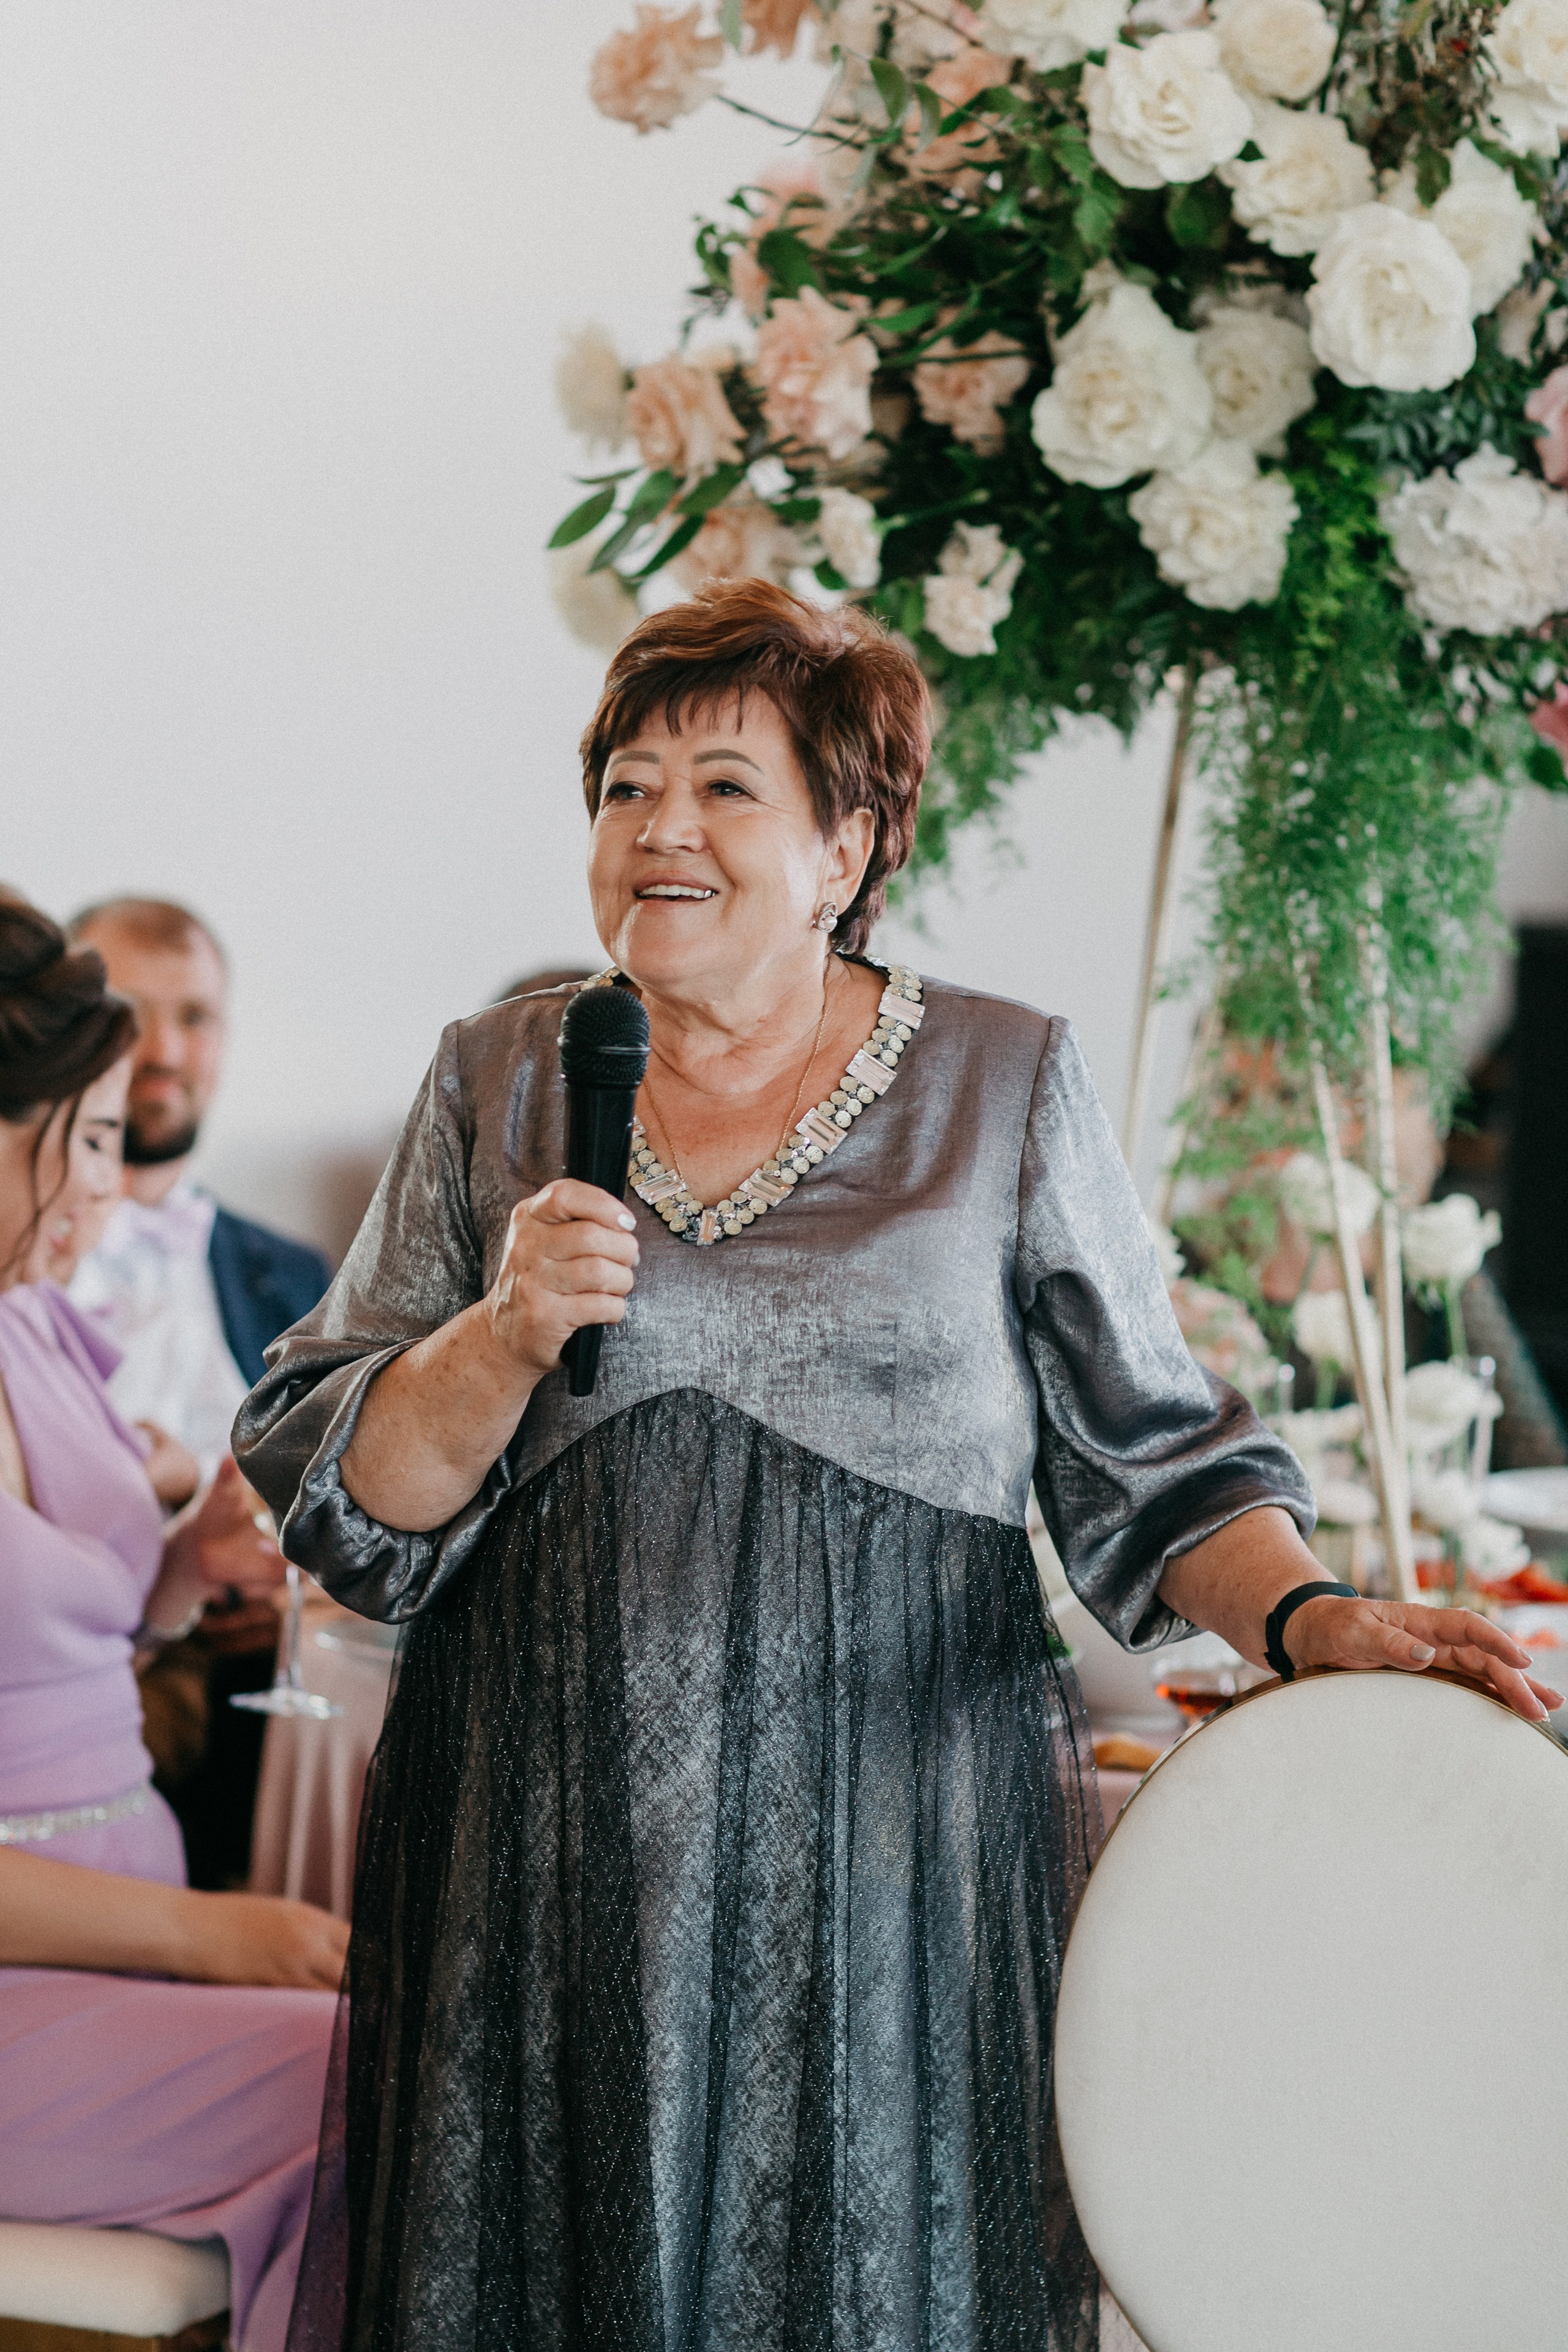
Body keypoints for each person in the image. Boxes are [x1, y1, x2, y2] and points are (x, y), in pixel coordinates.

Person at [237, 583, 1556, 2352]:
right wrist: (498, 1333)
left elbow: (1153, 1457)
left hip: (887, 1860)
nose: (660, 831)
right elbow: (352, 1512)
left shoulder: (1001, 1082)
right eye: (626, 789)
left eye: (722, 787)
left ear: (848, 841)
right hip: (543, 1843)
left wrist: (1312, 1619)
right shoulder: (499, 1075)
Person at [0, 888, 346, 2352]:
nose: (102, 1184)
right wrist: (214, 1938)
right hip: (40, 1983)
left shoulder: (31, 1315)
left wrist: (182, 1569)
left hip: (93, 1956)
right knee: (386, 2074)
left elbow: (61, 1650)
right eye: (74, 1139)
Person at [68, 896, 330, 1497]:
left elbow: (336, 1501)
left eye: (194, 1017)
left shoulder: (300, 1281)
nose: (165, 1053)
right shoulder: (17, 1260)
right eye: (127, 1012)